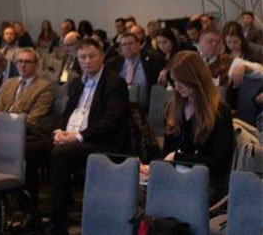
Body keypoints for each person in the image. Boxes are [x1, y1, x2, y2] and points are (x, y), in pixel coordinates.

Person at [24, 38, 129, 235]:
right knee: (29, 149)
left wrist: (78, 136)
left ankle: (59, 220)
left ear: (102, 57)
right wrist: (59, 132)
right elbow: (67, 114)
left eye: (92, 56)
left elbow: (111, 122)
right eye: (82, 57)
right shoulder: (76, 83)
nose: (87, 61)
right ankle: (32, 214)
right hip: (72, 138)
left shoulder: (115, 83)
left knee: (60, 155)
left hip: (99, 142)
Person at [141, 51, 234, 202]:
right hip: (176, 177)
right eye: (174, 81)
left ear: (196, 79)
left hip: (205, 182)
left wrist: (178, 158)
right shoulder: (172, 108)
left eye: (181, 81)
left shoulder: (220, 112)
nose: (177, 87)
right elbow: (168, 151)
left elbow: (220, 163)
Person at [0, 48, 55, 133]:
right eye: (20, 61)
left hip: (22, 132)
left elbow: (34, 118)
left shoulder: (44, 87)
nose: (22, 65)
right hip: (0, 128)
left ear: (36, 65)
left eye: (27, 62)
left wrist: (9, 126)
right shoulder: (9, 83)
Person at [106, 31, 164, 107]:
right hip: (120, 108)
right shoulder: (113, 64)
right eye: (124, 45)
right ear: (120, 48)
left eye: (130, 43)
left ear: (138, 44)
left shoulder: (152, 61)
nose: (127, 47)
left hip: (146, 108)